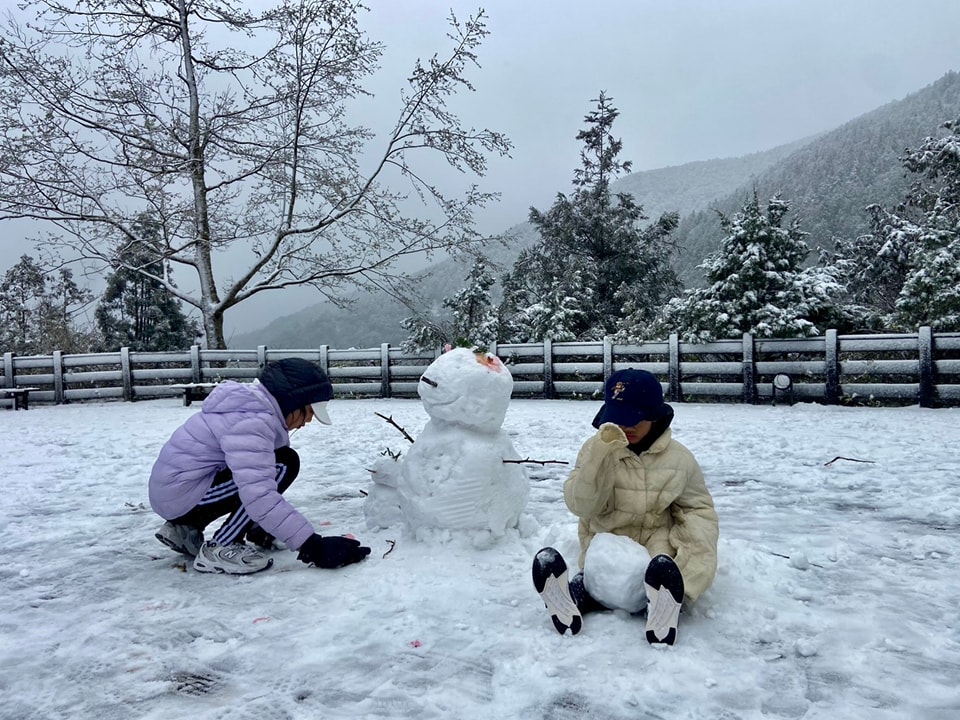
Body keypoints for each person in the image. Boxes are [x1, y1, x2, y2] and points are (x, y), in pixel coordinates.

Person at [532, 368, 719, 645]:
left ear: (655, 414)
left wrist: (689, 571)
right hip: (606, 544)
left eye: (634, 419)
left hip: (653, 553)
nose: (626, 427)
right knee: (593, 580)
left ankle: (663, 605)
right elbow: (581, 505)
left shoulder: (680, 460)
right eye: (619, 419)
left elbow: (697, 513)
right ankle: (569, 598)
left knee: (662, 576)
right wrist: (599, 456)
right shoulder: (595, 450)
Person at [149, 358, 371, 575]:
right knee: (283, 465)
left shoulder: (248, 409)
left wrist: (262, 526)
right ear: (293, 402)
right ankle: (222, 546)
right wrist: (313, 546)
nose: (309, 421)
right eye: (310, 411)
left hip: (174, 494)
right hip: (182, 496)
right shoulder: (251, 421)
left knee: (274, 464)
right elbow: (258, 493)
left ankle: (184, 530)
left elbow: (248, 472)